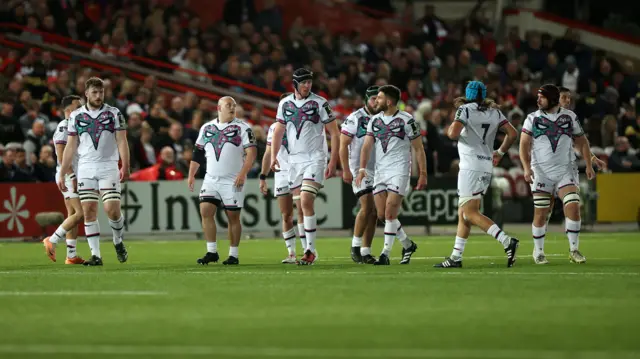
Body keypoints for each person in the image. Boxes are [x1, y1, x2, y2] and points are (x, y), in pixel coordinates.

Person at [434, 81, 520, 268]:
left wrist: (451, 128)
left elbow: (452, 133)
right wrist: (500, 152)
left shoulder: (465, 110)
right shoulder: (495, 112)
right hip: (486, 165)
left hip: (470, 165)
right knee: (463, 213)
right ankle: (456, 257)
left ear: (467, 94)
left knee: (469, 212)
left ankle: (506, 241)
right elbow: (512, 134)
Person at [270, 68, 340, 265]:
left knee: (307, 200)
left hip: (315, 158)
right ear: (295, 84)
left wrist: (333, 161)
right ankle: (308, 250)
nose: (307, 85)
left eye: (309, 82)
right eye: (303, 82)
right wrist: (274, 157)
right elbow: (278, 132)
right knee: (300, 206)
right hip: (294, 162)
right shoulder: (284, 104)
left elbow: (334, 133)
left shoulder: (320, 103)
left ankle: (309, 250)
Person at [520, 84, 595, 265]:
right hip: (541, 172)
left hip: (565, 171)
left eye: (542, 97)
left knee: (573, 207)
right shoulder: (532, 118)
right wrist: (526, 168)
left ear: (552, 99)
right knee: (541, 213)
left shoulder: (570, 117)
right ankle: (538, 252)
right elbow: (523, 144)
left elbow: (582, 141)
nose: (538, 100)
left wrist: (589, 164)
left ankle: (574, 250)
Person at [59, 77, 130, 266]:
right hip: (86, 167)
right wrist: (63, 172)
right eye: (95, 92)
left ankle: (118, 240)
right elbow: (71, 145)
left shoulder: (114, 113)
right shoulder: (76, 116)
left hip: (108, 166)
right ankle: (96, 255)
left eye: (102, 92)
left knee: (112, 210)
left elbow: (122, 140)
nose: (99, 96)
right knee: (89, 211)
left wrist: (126, 165)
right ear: (87, 94)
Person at [355, 85, 426, 265]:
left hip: (399, 171)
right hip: (380, 172)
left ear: (389, 101)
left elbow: (418, 148)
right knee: (382, 215)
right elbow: (367, 146)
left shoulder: (407, 121)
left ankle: (385, 254)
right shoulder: (375, 120)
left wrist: (423, 173)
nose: (376, 101)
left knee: (390, 212)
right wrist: (362, 169)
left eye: (379, 98)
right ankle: (407, 244)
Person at [189, 96, 257, 265]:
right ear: (219, 108)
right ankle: (212, 251)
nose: (232, 108)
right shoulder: (207, 128)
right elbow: (197, 153)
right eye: (229, 105)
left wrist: (243, 173)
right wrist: (191, 174)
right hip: (211, 178)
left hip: (233, 179)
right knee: (205, 211)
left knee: (233, 216)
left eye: (234, 105)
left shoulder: (243, 128)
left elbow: (252, 153)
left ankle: (233, 254)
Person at [542, 87, 606, 230]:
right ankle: (540, 240)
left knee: (573, 199)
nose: (568, 100)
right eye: (564, 97)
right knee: (546, 208)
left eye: (569, 98)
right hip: (545, 167)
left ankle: (572, 237)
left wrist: (593, 160)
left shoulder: (570, 118)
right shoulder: (541, 117)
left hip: (564, 168)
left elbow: (579, 144)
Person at [259, 92, 311, 264]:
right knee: (286, 214)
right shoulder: (274, 127)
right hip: (281, 173)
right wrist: (263, 175)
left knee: (302, 210)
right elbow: (268, 153)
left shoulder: (303, 124)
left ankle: (307, 250)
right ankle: (291, 253)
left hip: (299, 170)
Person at [43, 95, 85, 264]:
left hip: (73, 174)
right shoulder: (63, 127)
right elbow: (61, 157)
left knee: (72, 214)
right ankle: (52, 240)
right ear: (68, 110)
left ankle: (71, 255)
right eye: (78, 107)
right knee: (80, 213)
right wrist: (72, 175)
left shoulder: (77, 126)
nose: (81, 109)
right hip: (68, 175)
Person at [340, 86, 380, 264]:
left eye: (378, 99)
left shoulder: (383, 118)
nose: (376, 103)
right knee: (368, 205)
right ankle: (355, 246)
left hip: (380, 169)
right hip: (359, 169)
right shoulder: (355, 118)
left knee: (375, 212)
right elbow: (343, 145)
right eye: (373, 99)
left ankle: (366, 251)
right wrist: (346, 169)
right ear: (366, 100)